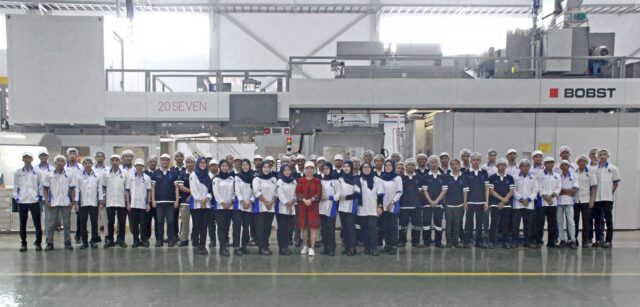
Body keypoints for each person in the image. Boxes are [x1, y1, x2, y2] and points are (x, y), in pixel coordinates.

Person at [43, 155, 76, 251]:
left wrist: (72, 202)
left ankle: (67, 243)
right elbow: (45, 189)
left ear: (65, 163)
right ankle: (49, 243)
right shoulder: (49, 174)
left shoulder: (69, 175)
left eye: (62, 161)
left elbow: (72, 189)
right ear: (55, 163)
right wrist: (46, 201)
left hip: (66, 203)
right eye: (58, 161)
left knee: (66, 224)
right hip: (53, 203)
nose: (60, 162)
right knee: (51, 224)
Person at [14, 152, 43, 252]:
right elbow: (15, 186)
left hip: (34, 201)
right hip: (22, 202)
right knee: (22, 224)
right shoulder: (18, 172)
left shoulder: (37, 172)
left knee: (37, 224)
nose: (27, 159)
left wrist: (39, 196)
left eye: (29, 157)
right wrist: (17, 198)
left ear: (32, 159)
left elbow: (40, 185)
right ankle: (23, 244)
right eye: (25, 157)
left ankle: (38, 243)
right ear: (22, 159)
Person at [150, 153, 180, 247]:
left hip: (170, 203)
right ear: (160, 161)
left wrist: (177, 200)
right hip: (159, 203)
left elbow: (176, 188)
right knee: (159, 222)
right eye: (163, 160)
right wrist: (153, 200)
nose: (164, 161)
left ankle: (170, 239)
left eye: (166, 160)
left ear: (169, 161)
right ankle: (159, 240)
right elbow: (153, 188)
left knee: (171, 222)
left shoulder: (173, 173)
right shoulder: (156, 173)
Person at [593, 149, 620, 248]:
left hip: (608, 199)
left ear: (608, 156)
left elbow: (616, 184)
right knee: (598, 220)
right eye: (600, 155)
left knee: (608, 220)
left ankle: (608, 241)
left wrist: (610, 192)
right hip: (597, 199)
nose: (602, 156)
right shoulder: (594, 169)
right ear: (597, 157)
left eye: (604, 154)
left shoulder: (613, 168)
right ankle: (599, 239)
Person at [76, 157, 104, 249]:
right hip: (83, 203)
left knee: (94, 223)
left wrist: (100, 202)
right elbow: (77, 190)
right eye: (85, 163)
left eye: (89, 163)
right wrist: (76, 203)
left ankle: (93, 241)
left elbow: (100, 189)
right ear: (83, 165)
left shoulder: (97, 175)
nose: (87, 164)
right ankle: (84, 242)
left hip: (94, 203)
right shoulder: (79, 176)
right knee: (83, 223)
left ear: (92, 164)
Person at [464, 152, 490, 248]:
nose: (475, 162)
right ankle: (467, 241)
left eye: (477, 160)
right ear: (470, 161)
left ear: (480, 161)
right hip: (470, 202)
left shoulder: (484, 172)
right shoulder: (466, 173)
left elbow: (487, 188)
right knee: (469, 222)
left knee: (480, 222)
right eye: (474, 160)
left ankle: (479, 241)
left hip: (481, 202)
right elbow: (465, 189)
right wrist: (465, 202)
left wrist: (487, 201)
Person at [487, 158, 515, 249]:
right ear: (497, 166)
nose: (502, 166)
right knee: (494, 223)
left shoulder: (510, 178)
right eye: (500, 165)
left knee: (505, 224)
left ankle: (505, 242)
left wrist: (504, 200)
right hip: (495, 204)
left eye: (504, 165)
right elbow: (491, 191)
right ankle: (492, 241)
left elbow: (511, 191)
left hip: (506, 204)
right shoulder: (492, 177)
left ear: (506, 166)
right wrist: (501, 199)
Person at [296, 161, 322, 256]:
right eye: (307, 168)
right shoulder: (300, 181)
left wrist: (311, 200)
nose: (309, 170)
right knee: (304, 227)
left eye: (311, 168)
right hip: (302, 206)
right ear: (305, 170)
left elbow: (319, 194)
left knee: (313, 228)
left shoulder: (317, 181)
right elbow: (298, 193)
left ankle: (312, 248)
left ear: (314, 170)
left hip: (313, 207)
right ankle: (305, 246)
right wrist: (303, 200)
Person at [358, 162, 384, 256]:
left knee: (373, 229)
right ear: (361, 169)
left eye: (368, 167)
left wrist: (380, 207)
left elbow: (380, 195)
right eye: (364, 167)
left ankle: (374, 248)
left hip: (373, 209)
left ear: (371, 168)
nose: (366, 169)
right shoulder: (359, 180)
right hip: (362, 209)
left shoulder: (377, 180)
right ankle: (367, 247)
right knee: (364, 229)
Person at [190, 157, 214, 255]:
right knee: (196, 225)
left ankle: (202, 245)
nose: (203, 164)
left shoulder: (209, 175)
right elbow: (193, 190)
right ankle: (196, 244)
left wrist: (206, 198)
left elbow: (211, 190)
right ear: (198, 163)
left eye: (205, 163)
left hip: (206, 205)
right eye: (201, 162)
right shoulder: (193, 174)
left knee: (204, 226)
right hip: (196, 205)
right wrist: (201, 200)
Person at [421, 155, 447, 248]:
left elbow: (444, 190)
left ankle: (438, 241)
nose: (433, 164)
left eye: (435, 162)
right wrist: (431, 201)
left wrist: (436, 201)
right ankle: (426, 241)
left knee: (438, 223)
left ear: (438, 163)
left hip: (439, 204)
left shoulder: (443, 176)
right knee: (426, 222)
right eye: (431, 162)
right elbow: (424, 190)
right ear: (429, 164)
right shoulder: (425, 177)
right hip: (427, 204)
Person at [536, 157, 562, 248]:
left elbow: (559, 187)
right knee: (540, 223)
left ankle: (551, 242)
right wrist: (546, 197)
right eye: (547, 163)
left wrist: (552, 196)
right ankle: (538, 241)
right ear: (544, 164)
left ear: (553, 164)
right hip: (542, 203)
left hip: (553, 202)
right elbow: (539, 187)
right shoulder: (540, 175)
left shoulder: (557, 175)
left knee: (552, 223)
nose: (549, 164)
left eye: (551, 163)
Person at [512, 159, 538, 248]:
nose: (525, 167)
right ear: (520, 167)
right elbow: (513, 190)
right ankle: (515, 241)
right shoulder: (515, 177)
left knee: (528, 224)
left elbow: (535, 191)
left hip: (529, 205)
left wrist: (529, 199)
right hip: (517, 205)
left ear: (529, 167)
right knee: (515, 224)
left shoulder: (533, 178)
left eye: (527, 166)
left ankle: (527, 241)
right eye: (523, 166)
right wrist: (521, 199)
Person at [126, 158, 152, 248]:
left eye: (141, 165)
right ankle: (135, 241)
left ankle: (144, 240)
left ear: (143, 167)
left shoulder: (147, 178)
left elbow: (149, 191)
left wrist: (148, 203)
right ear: (135, 166)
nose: (139, 167)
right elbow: (127, 191)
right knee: (134, 225)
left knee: (144, 224)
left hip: (143, 205)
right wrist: (128, 203)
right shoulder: (130, 177)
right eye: (137, 165)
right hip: (133, 205)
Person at [253, 162, 278, 255]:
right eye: (264, 167)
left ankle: (265, 245)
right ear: (261, 168)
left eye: (268, 167)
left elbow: (276, 192)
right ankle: (261, 247)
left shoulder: (274, 179)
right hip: (260, 207)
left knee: (268, 228)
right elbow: (256, 192)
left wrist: (271, 202)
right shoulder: (257, 179)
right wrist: (266, 202)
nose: (266, 169)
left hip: (271, 207)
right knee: (261, 228)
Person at [103, 154, 127, 248]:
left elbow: (127, 188)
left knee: (122, 222)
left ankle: (121, 240)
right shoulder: (106, 174)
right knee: (110, 222)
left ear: (120, 161)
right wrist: (103, 200)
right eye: (113, 160)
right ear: (110, 162)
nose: (115, 162)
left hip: (121, 202)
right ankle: (110, 240)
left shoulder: (124, 173)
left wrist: (127, 201)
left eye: (117, 160)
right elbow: (103, 188)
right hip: (110, 202)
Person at [379, 159, 403, 254]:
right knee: (385, 226)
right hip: (383, 207)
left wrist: (392, 202)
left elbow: (400, 192)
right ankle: (388, 245)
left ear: (393, 167)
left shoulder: (397, 178)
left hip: (393, 206)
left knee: (393, 227)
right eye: (386, 165)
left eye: (390, 165)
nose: (388, 167)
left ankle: (394, 246)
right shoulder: (381, 178)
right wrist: (381, 205)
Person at [573, 155, 597, 248]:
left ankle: (586, 240)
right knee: (574, 221)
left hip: (586, 200)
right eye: (580, 161)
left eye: (584, 161)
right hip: (575, 200)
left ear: (587, 162)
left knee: (586, 221)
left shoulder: (590, 173)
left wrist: (592, 201)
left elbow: (594, 187)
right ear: (577, 163)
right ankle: (574, 239)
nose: (582, 163)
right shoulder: (574, 172)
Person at [213, 160, 235, 257]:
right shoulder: (216, 179)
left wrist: (231, 202)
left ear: (228, 167)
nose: (225, 167)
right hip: (220, 207)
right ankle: (222, 247)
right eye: (223, 166)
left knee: (227, 226)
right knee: (221, 226)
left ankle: (225, 243)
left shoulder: (231, 179)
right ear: (220, 167)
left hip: (230, 206)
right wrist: (222, 202)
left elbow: (235, 192)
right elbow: (216, 192)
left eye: (226, 166)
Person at [398, 158, 422, 248]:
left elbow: (422, 191)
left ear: (415, 166)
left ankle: (416, 241)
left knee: (417, 225)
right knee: (402, 225)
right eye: (409, 165)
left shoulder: (419, 177)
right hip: (403, 206)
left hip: (416, 206)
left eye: (413, 165)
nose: (411, 166)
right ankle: (401, 240)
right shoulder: (401, 178)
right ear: (405, 166)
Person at [338, 161, 360, 256]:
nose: (346, 168)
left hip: (351, 207)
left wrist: (346, 197)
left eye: (348, 166)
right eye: (344, 166)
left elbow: (357, 193)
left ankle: (352, 248)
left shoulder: (355, 179)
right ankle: (347, 247)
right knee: (345, 228)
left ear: (351, 168)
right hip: (341, 207)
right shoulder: (340, 179)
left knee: (351, 228)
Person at [319, 162, 341, 256]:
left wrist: (332, 197)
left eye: (327, 168)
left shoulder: (335, 181)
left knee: (331, 228)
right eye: (324, 169)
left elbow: (339, 192)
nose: (325, 170)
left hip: (331, 206)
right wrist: (320, 196)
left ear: (330, 169)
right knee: (323, 229)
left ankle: (332, 248)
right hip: (322, 206)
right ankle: (326, 248)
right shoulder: (321, 181)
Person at [233, 159, 255, 256]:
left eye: (247, 165)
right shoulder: (237, 177)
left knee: (246, 227)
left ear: (250, 166)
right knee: (237, 226)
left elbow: (255, 190)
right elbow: (237, 190)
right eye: (243, 165)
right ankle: (237, 247)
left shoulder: (253, 177)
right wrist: (242, 201)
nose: (245, 167)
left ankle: (244, 246)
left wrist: (250, 201)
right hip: (239, 205)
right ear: (241, 167)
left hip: (249, 205)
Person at [444, 159, 467, 248]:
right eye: (452, 164)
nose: (455, 166)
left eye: (456, 164)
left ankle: (456, 241)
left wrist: (465, 202)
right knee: (449, 223)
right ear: (451, 166)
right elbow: (444, 191)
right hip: (449, 204)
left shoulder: (464, 177)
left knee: (458, 223)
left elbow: (465, 191)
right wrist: (445, 202)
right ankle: (448, 242)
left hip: (459, 204)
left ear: (459, 165)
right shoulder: (446, 177)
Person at [557, 160, 579, 249]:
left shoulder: (573, 176)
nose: (565, 166)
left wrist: (563, 190)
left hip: (569, 202)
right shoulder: (558, 177)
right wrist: (567, 191)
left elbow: (574, 190)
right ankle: (562, 240)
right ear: (560, 167)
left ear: (569, 166)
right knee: (559, 222)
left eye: (566, 165)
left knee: (571, 222)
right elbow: (557, 190)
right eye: (563, 165)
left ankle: (572, 240)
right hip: (559, 202)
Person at [276, 164, 297, 255]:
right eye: (285, 170)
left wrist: (292, 202)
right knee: (282, 229)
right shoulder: (279, 181)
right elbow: (280, 194)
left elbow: (296, 194)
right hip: (282, 209)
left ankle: (286, 246)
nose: (287, 172)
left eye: (288, 170)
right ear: (282, 171)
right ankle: (282, 247)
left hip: (291, 208)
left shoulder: (294, 181)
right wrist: (288, 205)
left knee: (289, 229)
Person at [176, 155, 195, 247]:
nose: (189, 164)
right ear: (185, 164)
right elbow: (181, 187)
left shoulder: (197, 173)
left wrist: (193, 196)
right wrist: (192, 192)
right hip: (185, 201)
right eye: (188, 162)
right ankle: (184, 239)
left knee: (196, 221)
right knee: (185, 221)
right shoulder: (183, 174)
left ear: (194, 163)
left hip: (196, 202)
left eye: (191, 162)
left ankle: (195, 238)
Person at [65, 148, 83, 244]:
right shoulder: (63, 168)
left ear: (77, 156)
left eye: (74, 153)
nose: (72, 155)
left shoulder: (81, 167)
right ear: (67, 156)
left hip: (78, 193)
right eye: (70, 153)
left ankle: (78, 235)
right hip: (66, 193)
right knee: (66, 216)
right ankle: (67, 237)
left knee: (79, 216)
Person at [36, 150, 53, 237]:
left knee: (49, 218)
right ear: (39, 157)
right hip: (37, 197)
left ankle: (48, 236)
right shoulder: (34, 168)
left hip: (48, 197)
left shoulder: (52, 169)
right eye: (41, 155)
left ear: (48, 157)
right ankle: (38, 236)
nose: (43, 157)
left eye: (45, 155)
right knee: (37, 218)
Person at [93, 151, 108, 243]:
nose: (99, 158)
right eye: (98, 156)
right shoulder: (91, 169)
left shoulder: (108, 169)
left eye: (101, 156)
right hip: (93, 197)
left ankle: (107, 236)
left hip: (106, 197)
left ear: (104, 157)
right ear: (95, 157)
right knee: (96, 219)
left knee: (105, 218)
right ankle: (96, 236)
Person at [144, 156, 158, 241]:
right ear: (148, 163)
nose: (153, 163)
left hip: (157, 201)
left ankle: (158, 237)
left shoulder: (159, 172)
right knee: (147, 221)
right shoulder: (144, 173)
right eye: (151, 162)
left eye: (154, 162)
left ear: (156, 163)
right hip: (147, 201)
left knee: (158, 221)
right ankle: (146, 237)